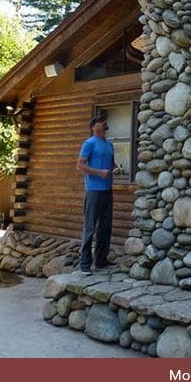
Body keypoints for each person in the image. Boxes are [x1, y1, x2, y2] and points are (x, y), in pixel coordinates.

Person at [76, 114, 120, 275]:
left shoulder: (109, 145)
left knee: (105, 227)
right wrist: (98, 172)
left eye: (104, 122)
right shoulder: (88, 144)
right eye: (101, 122)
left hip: (107, 190)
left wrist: (116, 168)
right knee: (90, 227)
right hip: (93, 190)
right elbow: (80, 166)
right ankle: (85, 264)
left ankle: (101, 260)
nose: (104, 124)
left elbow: (111, 163)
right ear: (94, 127)